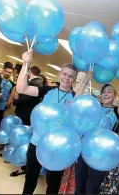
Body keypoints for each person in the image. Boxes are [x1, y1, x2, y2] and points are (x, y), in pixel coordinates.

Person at [16, 50, 92, 195]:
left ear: (74, 79)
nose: (66, 78)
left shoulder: (74, 97)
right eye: (64, 74)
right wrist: (25, 63)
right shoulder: (47, 91)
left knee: (53, 183)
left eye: (71, 76)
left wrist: (85, 80)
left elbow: (79, 97)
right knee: (30, 178)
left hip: (58, 147)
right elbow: (21, 88)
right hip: (37, 143)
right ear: (59, 74)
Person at [75, 84, 119, 195]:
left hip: (101, 156)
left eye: (109, 91)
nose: (106, 93)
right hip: (84, 152)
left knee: (92, 189)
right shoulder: (93, 109)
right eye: (104, 91)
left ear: (115, 96)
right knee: (79, 188)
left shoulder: (118, 114)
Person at [0, 62, 15, 150]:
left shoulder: (12, 84)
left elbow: (11, 95)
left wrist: (8, 102)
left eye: (9, 72)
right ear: (3, 71)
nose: (7, 74)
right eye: (6, 72)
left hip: (2, 107)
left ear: (11, 74)